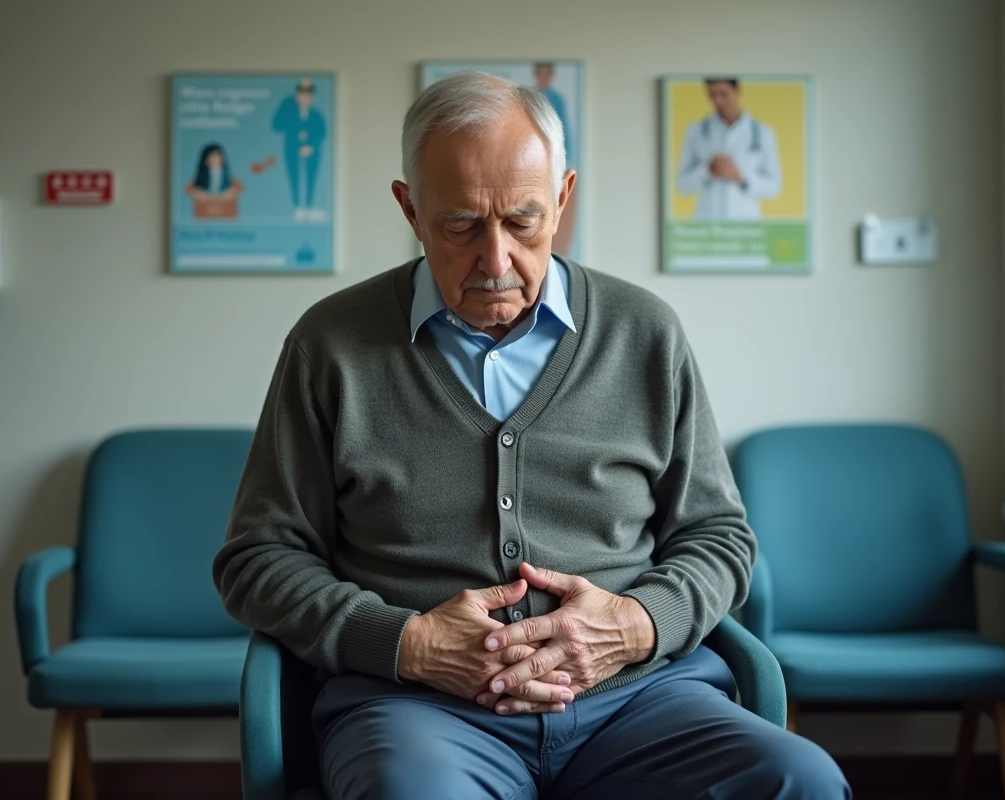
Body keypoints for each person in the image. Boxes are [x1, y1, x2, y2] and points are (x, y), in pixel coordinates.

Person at [214, 72, 849, 800]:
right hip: (419, 710)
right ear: (410, 208)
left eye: (523, 221)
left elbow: (720, 538)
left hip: (640, 703)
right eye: (460, 226)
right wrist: (408, 643)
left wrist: (636, 624)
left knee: (800, 781)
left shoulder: (645, 333)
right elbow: (258, 559)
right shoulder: (330, 346)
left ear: (563, 197)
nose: (495, 261)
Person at [677, 77, 781, 220]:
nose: (718, 101)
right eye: (712, 95)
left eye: (723, 94)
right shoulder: (696, 131)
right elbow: (682, 185)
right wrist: (707, 171)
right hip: (707, 222)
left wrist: (740, 177)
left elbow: (774, 187)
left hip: (745, 223)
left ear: (737, 90)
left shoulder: (763, 133)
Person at [533, 62, 577, 256]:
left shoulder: (557, 99)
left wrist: (565, 161)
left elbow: (564, 132)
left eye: (546, 74)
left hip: (553, 163)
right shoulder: (528, 97)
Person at [271, 78, 327, 222]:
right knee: (294, 177)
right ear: (296, 95)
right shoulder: (289, 111)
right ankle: (296, 207)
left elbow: (322, 132)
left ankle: (309, 206)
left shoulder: (316, 115)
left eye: (308, 94)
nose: (305, 97)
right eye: (301, 94)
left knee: (311, 178)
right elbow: (276, 125)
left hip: (312, 152)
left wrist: (311, 146)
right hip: (292, 150)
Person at [184, 143, 242, 219]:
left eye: (218, 157)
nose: (215, 160)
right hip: (204, 213)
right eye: (212, 157)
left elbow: (239, 188)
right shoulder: (200, 179)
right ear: (205, 160)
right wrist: (199, 193)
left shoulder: (229, 179)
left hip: (225, 213)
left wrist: (229, 193)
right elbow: (188, 189)